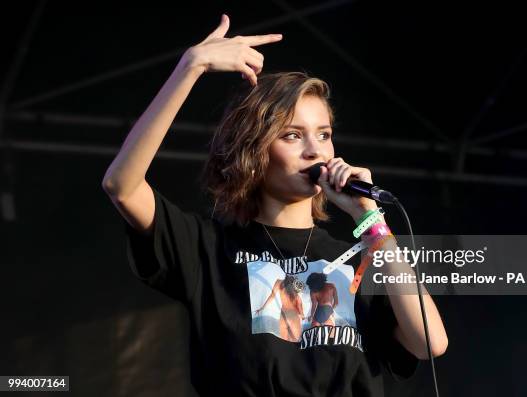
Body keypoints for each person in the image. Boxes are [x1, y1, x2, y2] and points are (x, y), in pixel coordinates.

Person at [102, 13, 448, 396]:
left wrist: (370, 219)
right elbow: (122, 186)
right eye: (293, 135)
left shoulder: (357, 259)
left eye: (324, 134)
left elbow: (429, 341)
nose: (315, 149)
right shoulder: (209, 249)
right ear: (256, 150)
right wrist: (191, 67)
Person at [254, 276, 306, 342]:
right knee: (295, 341)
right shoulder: (294, 285)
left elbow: (272, 295)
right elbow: (299, 303)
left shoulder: (279, 282)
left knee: (283, 342)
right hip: (293, 315)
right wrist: (302, 315)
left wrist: (262, 307)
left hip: (283, 315)